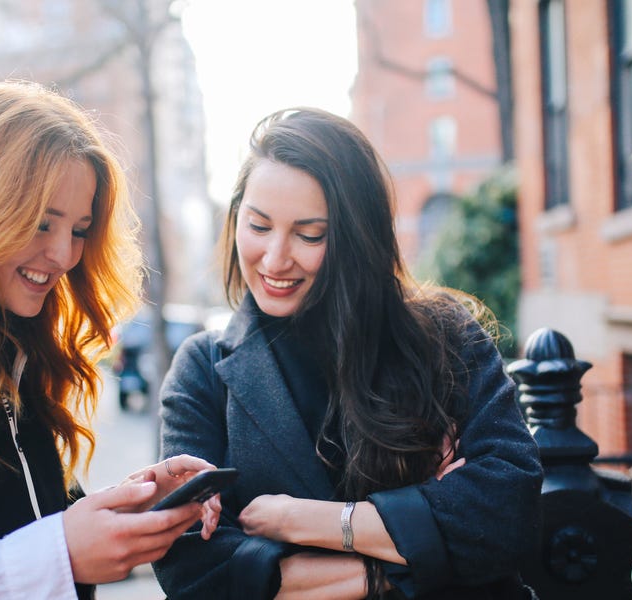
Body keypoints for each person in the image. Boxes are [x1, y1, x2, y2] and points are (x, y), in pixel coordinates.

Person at [153, 108, 543, 599]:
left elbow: (508, 514)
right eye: (258, 226)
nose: (275, 259)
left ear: (357, 236)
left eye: (309, 234)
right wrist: (401, 564)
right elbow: (194, 572)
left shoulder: (444, 336)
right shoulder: (202, 370)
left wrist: (301, 521)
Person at [0, 81, 220, 599]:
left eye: (80, 229)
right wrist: (60, 553)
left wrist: (131, 504)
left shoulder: (19, 348)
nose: (65, 254)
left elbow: (24, 532)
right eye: (42, 223)